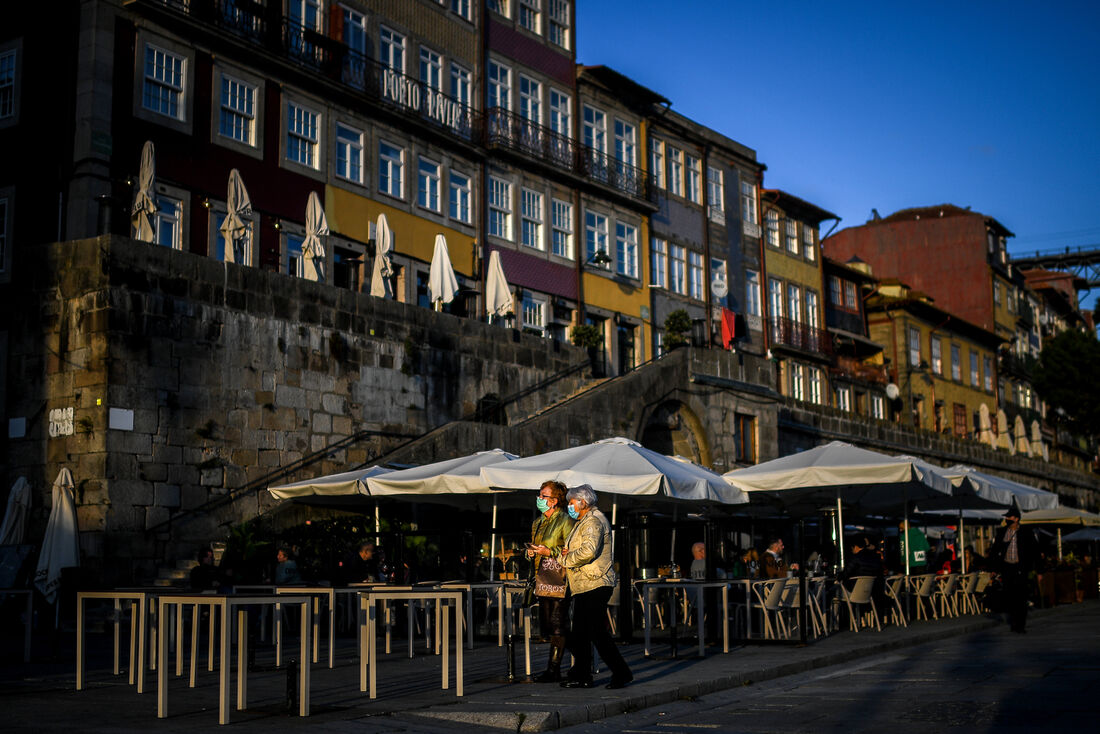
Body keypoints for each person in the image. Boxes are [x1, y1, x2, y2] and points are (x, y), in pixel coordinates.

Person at [559, 485, 632, 690]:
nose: (569, 506)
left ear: (583, 502)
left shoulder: (592, 521)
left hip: (594, 582)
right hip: (585, 584)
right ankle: (581, 674)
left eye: (571, 502)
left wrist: (565, 559)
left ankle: (620, 672)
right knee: (581, 633)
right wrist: (565, 553)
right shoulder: (583, 521)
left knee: (595, 631)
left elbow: (588, 552)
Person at [525, 480, 575, 683]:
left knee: (557, 624)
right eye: (539, 495)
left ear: (554, 501)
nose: (540, 499)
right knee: (547, 625)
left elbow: (570, 549)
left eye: (543, 496)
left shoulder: (564, 520)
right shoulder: (537, 522)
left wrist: (550, 551)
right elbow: (536, 550)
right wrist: (530, 552)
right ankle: (582, 653)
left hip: (559, 576)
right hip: (542, 576)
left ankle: (554, 669)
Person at [989, 500, 1038, 633]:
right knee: (1009, 597)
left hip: (1020, 568)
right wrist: (994, 569)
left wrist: (1035, 569)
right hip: (1007, 568)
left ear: (1016, 519)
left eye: (1009, 517)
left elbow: (1034, 551)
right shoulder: (1002, 532)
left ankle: (1020, 625)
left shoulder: (1026, 532)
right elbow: (995, 551)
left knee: (1020, 597)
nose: (1006, 519)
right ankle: (1014, 621)